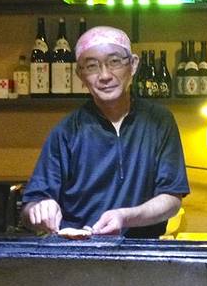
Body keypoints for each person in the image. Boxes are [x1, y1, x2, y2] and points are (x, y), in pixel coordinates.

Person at [21, 25, 190, 238]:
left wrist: (125, 217)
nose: (104, 75)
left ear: (133, 65)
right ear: (80, 74)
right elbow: (29, 209)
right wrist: (39, 209)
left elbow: (172, 199)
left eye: (114, 62)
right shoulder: (67, 131)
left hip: (141, 250)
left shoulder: (158, 121)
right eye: (91, 66)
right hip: (77, 248)